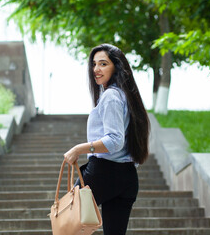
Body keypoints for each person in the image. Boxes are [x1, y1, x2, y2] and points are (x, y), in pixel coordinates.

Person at [63, 43, 150, 235]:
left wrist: (78, 149)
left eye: (103, 64)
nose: (96, 69)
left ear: (117, 67)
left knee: (65, 227)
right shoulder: (125, 96)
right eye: (94, 64)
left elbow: (114, 141)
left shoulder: (111, 96)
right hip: (127, 177)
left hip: (104, 174)